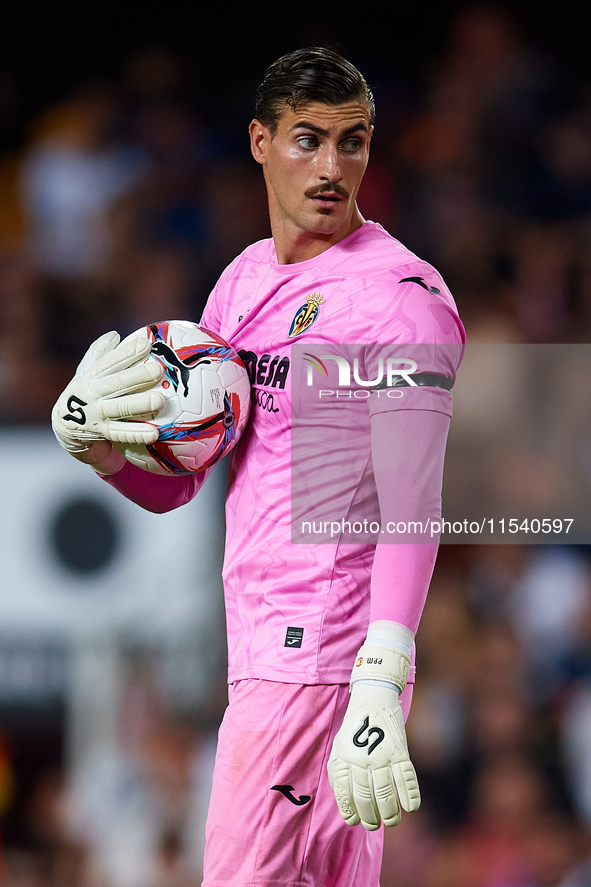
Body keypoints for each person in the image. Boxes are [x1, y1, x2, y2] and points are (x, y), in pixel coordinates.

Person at [51, 48, 465, 887]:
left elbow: (413, 501)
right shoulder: (240, 285)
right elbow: (183, 484)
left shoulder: (398, 298)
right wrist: (99, 450)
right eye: (307, 140)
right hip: (266, 653)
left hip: (315, 657)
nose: (331, 165)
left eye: (352, 142)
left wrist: (380, 679)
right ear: (258, 141)